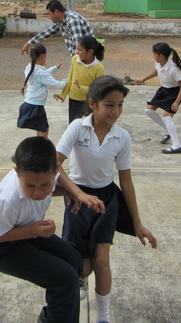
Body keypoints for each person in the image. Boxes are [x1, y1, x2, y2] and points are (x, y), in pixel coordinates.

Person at [56, 76, 157, 323]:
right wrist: (76, 192)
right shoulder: (77, 128)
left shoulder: (122, 137)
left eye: (120, 104)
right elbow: (55, 164)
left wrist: (137, 223)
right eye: (109, 104)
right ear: (92, 103)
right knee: (84, 266)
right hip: (78, 198)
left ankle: (104, 316)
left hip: (106, 201)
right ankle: (80, 276)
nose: (116, 111)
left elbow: (127, 182)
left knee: (102, 260)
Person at [0, 136, 105, 323]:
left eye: (45, 185)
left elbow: (54, 186)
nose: (38, 192)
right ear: (17, 173)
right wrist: (33, 230)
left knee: (76, 263)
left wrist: (72, 192)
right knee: (65, 279)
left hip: (27, 231)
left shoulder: (44, 174)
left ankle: (52, 317)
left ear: (56, 171)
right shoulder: (9, 200)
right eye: (30, 186)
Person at [136, 42, 181, 154]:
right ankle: (168, 131)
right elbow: (156, 72)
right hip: (164, 90)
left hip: (175, 92)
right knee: (148, 110)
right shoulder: (158, 64)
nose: (153, 56)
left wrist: (177, 102)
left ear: (161, 55)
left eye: (154, 54)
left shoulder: (173, 69)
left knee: (167, 117)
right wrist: (143, 79)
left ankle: (177, 145)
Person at [18, 43, 66, 138]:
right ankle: (41, 151)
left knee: (44, 130)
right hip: (36, 107)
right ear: (43, 56)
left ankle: (41, 150)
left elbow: (42, 75)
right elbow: (57, 85)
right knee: (43, 132)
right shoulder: (41, 73)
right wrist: (68, 80)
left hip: (29, 104)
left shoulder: (29, 68)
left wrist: (55, 68)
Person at [54, 35, 105, 123]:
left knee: (88, 125)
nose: (77, 52)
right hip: (73, 100)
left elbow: (98, 88)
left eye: (80, 50)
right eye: (77, 49)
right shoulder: (74, 60)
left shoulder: (98, 67)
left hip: (89, 102)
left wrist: (82, 88)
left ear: (90, 52)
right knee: (73, 124)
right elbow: (70, 78)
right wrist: (63, 94)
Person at [21, 0, 95, 57]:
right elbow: (46, 33)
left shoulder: (72, 20)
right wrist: (28, 43)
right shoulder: (61, 21)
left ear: (56, 11)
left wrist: (75, 63)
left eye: (49, 14)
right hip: (82, 57)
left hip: (88, 57)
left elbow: (77, 43)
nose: (49, 17)